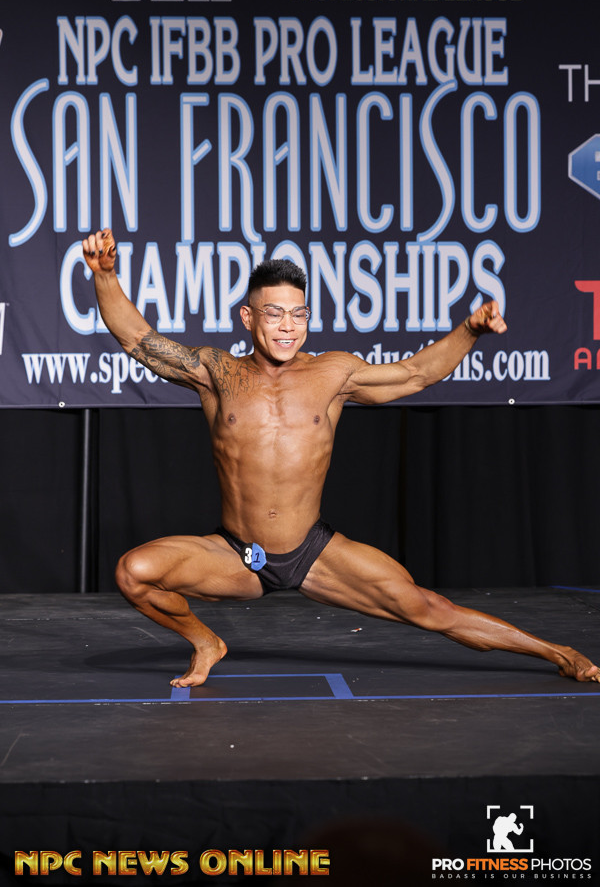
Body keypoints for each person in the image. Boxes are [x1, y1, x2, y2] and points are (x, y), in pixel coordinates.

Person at [82, 228, 599, 688]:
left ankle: (560, 653)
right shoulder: (218, 372)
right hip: (237, 555)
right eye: (274, 313)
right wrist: (105, 276)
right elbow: (138, 340)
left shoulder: (332, 373)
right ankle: (206, 642)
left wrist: (471, 330)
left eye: (298, 314)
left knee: (430, 608)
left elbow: (416, 374)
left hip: (313, 553)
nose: (288, 326)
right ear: (248, 317)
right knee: (134, 572)